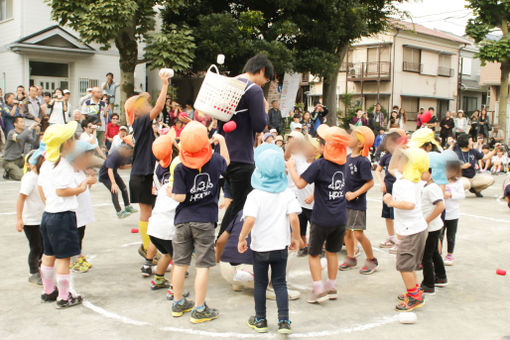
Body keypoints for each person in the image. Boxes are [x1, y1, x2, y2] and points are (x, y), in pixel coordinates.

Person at [238, 143, 301, 335]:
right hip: (280, 246)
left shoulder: (254, 195)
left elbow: (250, 220)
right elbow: (293, 217)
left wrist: (242, 237)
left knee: (260, 284)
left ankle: (260, 320)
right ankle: (283, 321)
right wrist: (295, 237)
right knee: (280, 283)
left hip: (260, 248)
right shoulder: (286, 193)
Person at [171, 122, 229, 323]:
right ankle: (199, 308)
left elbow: (179, 196)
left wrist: (171, 193)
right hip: (205, 220)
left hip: (182, 220)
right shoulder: (214, 161)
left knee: (180, 263)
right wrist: (221, 141)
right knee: (203, 265)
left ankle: (178, 302)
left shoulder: (179, 167)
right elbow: (226, 163)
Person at [287, 124, 350, 304]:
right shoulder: (344, 165)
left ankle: (318, 289)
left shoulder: (320, 164)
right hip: (340, 217)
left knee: (314, 254)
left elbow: (300, 183)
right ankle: (331, 286)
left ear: (327, 147)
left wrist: (291, 167)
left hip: (321, 217)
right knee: (331, 252)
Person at [38, 121, 95, 308]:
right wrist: (81, 188)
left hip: (48, 215)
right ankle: (64, 296)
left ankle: (48, 290)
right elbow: (62, 191)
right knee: (63, 259)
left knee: (48, 255)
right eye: (71, 139)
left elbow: (42, 187)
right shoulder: (63, 165)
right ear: (65, 144)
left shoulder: (47, 163)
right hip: (63, 216)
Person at [217, 54, 273, 236]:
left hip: (223, 155)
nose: (264, 83)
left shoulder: (228, 87)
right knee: (240, 205)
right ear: (262, 70)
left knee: (232, 201)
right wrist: (265, 110)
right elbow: (259, 125)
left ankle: (219, 244)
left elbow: (220, 124)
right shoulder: (253, 90)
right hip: (242, 157)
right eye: (266, 79)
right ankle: (220, 244)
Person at [124, 72, 170, 264]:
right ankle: (147, 248)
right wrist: (165, 84)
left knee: (149, 213)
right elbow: (159, 106)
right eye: (143, 104)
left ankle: (149, 247)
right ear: (138, 110)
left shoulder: (139, 124)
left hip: (141, 173)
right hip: (142, 174)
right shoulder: (141, 121)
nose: (148, 105)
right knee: (148, 214)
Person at [383, 147, 429, 311]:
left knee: (403, 265)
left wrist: (391, 202)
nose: (399, 161)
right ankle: (414, 291)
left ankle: (415, 297)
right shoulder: (409, 178)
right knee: (409, 265)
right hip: (416, 229)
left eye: (403, 159)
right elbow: (390, 168)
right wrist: (397, 149)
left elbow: (409, 204)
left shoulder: (406, 184)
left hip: (412, 231)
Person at [339, 126, 378, 274]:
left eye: (353, 136)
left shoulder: (363, 161)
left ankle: (371, 260)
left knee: (358, 234)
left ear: (360, 144)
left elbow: (370, 182)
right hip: (345, 203)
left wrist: (355, 194)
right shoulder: (348, 158)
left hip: (357, 204)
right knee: (347, 233)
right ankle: (351, 257)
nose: (350, 137)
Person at [147, 134, 177, 291]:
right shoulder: (178, 166)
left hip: (154, 228)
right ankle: (174, 289)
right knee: (178, 260)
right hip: (168, 229)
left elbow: (157, 190)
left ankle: (158, 280)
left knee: (167, 254)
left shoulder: (158, 167)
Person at [68, 140, 97, 273]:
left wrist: (89, 180)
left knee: (80, 235)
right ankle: (74, 261)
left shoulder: (79, 172)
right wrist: (86, 181)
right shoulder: (69, 173)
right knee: (74, 238)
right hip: (75, 213)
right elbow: (73, 191)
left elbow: (85, 189)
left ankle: (78, 257)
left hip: (82, 213)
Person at [16, 150, 45, 285]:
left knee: (44, 246)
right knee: (36, 247)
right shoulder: (30, 178)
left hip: (42, 217)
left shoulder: (42, 176)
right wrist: (19, 219)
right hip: (31, 219)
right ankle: (33, 273)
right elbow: (21, 198)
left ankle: (39, 268)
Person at [420, 153, 447, 294]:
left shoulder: (432, 188)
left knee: (426, 256)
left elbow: (440, 206)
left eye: (423, 171)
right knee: (434, 253)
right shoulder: (427, 186)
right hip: (433, 226)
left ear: (431, 172)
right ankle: (441, 277)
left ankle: (428, 284)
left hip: (432, 227)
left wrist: (427, 220)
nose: (420, 174)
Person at [284, 136, 316, 257]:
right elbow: (286, 158)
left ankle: (318, 247)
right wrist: (290, 146)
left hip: (315, 202)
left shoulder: (319, 163)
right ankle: (304, 247)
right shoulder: (299, 158)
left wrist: (313, 196)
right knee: (301, 227)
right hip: (300, 201)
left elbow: (323, 183)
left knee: (315, 228)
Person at [374, 130, 403, 251]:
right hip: (388, 188)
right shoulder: (386, 156)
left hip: (400, 189)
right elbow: (377, 170)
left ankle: (400, 241)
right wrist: (381, 183)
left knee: (399, 215)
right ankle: (391, 237)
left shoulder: (403, 155)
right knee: (387, 215)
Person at [98, 137, 137, 218]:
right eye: (130, 151)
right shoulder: (115, 155)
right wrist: (113, 183)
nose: (130, 153)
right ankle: (119, 211)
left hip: (114, 173)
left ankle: (127, 206)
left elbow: (121, 167)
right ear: (124, 148)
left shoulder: (124, 155)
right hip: (105, 176)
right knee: (114, 191)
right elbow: (109, 170)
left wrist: (132, 165)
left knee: (124, 188)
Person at [442, 156, 465, 266]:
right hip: (441, 213)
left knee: (451, 236)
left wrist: (451, 195)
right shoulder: (441, 181)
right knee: (439, 235)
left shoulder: (458, 183)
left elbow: (462, 195)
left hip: (453, 214)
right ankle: (437, 253)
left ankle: (449, 254)